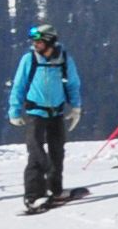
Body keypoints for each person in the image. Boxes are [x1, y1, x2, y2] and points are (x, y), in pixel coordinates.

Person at [5, 22, 83, 211]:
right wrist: (14, 111)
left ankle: (55, 190)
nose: (35, 44)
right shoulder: (29, 59)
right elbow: (19, 86)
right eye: (34, 41)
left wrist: (76, 107)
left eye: (38, 41)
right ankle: (32, 196)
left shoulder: (64, 59)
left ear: (49, 41)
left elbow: (72, 84)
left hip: (56, 113)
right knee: (36, 154)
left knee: (58, 152)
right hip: (35, 114)